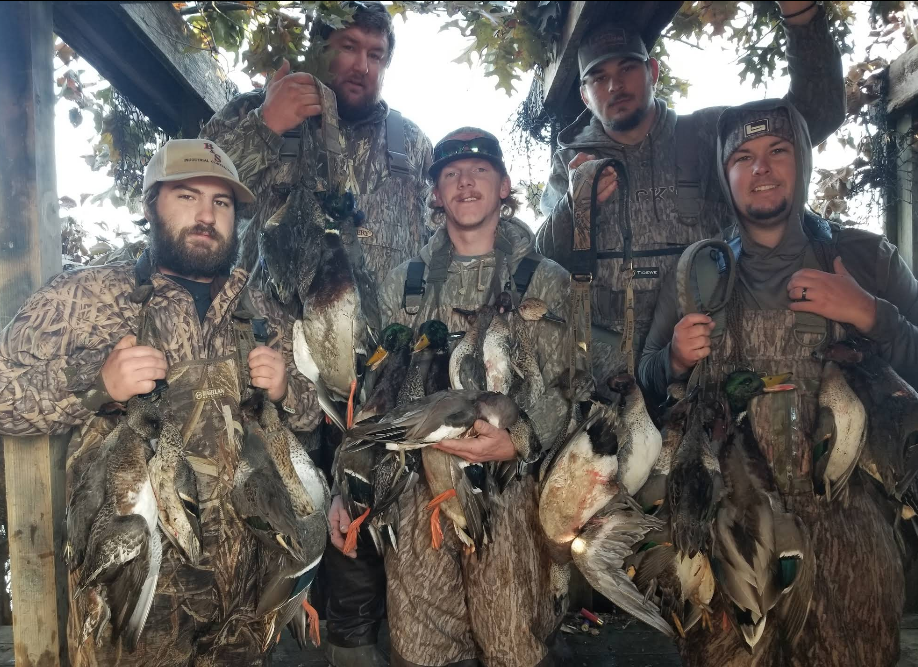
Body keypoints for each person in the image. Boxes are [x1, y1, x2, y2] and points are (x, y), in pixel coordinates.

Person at [0, 139, 322, 665]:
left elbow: (309, 423)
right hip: (135, 601)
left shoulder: (261, 310)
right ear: (151, 205)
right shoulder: (87, 296)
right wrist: (94, 387)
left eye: (221, 203)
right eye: (187, 196)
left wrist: (288, 390)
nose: (206, 216)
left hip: (247, 599)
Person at [639, 99, 915, 665]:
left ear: (803, 161)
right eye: (742, 157)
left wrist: (871, 314)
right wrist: (672, 362)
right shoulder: (698, 271)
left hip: (851, 535)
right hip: (731, 534)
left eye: (777, 151)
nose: (760, 168)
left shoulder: (864, 258)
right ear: (725, 175)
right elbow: (640, 390)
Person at [201, 4, 433, 662]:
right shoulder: (254, 114)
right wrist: (265, 126)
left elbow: (438, 245)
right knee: (275, 520)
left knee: (365, 524)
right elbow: (194, 194)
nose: (362, 65)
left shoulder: (411, 144)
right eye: (349, 46)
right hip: (274, 369)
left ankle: (357, 646)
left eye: (376, 54)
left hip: (377, 378)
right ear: (318, 46)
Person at [329, 128, 570, 667]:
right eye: (451, 174)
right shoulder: (404, 283)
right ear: (436, 194)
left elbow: (566, 389)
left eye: (480, 171)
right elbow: (374, 394)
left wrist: (517, 441)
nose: (466, 182)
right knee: (424, 650)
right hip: (418, 492)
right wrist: (350, 486)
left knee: (514, 644)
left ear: (504, 187)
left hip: (511, 493)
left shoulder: (545, 281)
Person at [536, 1, 845, 383]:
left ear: (653, 72)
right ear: (585, 95)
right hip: (606, 378)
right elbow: (545, 265)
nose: (615, 85)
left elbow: (816, 115)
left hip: (714, 362)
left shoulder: (710, 133)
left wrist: (802, 17)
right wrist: (574, 208)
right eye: (598, 78)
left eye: (627, 68)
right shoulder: (570, 162)